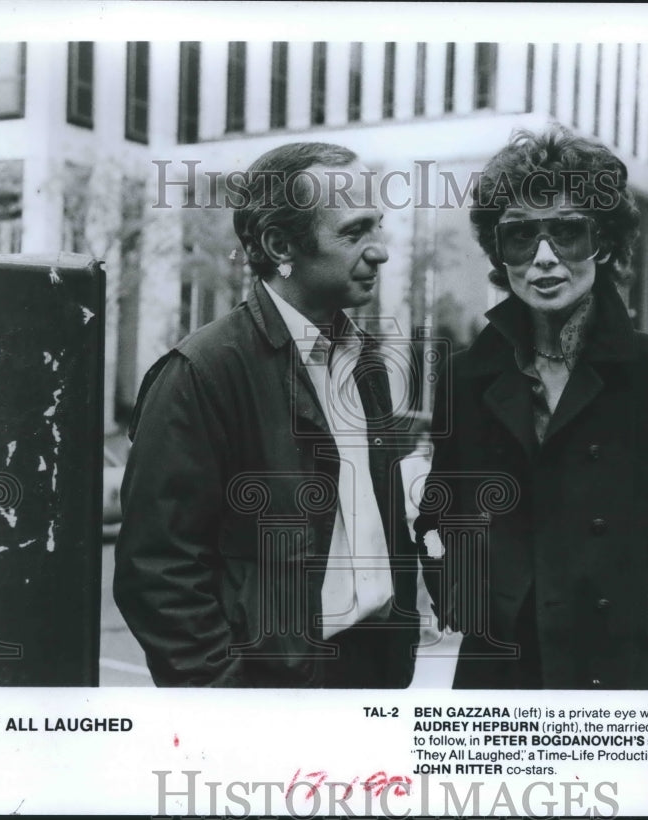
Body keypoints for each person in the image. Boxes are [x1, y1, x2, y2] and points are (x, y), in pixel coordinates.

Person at [416, 126, 648, 690]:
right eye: (521, 237)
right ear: (499, 251)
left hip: (622, 663)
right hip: (501, 668)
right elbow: (441, 515)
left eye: (567, 232)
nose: (544, 259)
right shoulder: (468, 376)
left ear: (604, 243)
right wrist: (459, 593)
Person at [114, 142, 421, 687]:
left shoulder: (364, 360)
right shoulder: (200, 373)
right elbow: (157, 574)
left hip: (374, 675)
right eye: (353, 233)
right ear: (281, 245)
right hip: (272, 692)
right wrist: (230, 702)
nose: (380, 252)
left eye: (377, 226)